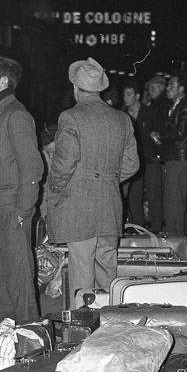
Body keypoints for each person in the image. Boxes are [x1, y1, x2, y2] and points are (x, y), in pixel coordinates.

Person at [46, 57, 138, 303]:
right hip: (110, 205)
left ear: (76, 88)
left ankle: (82, 331)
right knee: (108, 272)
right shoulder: (123, 119)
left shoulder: (70, 117)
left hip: (79, 207)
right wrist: (107, 179)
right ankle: (109, 328)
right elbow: (132, 164)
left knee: (82, 275)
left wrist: (54, 191)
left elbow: (64, 165)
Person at [0, 55, 42, 326]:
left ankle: (31, 340)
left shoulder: (15, 114)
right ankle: (5, 338)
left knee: (19, 281)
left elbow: (32, 168)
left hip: (11, 209)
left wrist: (22, 211)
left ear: (4, 81)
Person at [150, 70, 187, 236]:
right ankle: (173, 239)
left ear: (181, 88)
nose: (167, 88)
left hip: (179, 159)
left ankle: (176, 243)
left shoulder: (186, 107)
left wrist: (160, 136)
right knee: (171, 203)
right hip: (174, 158)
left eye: (171, 85)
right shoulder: (177, 106)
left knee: (175, 205)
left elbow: (180, 133)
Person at [122, 78, 154, 226]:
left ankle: (155, 230)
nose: (125, 97)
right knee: (134, 197)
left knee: (153, 197)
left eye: (129, 94)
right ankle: (138, 228)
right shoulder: (122, 116)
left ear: (137, 96)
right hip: (132, 162)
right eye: (124, 94)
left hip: (149, 160)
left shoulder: (148, 113)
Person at [142, 75, 167, 229]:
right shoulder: (158, 104)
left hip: (159, 157)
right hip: (160, 156)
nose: (149, 91)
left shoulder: (161, 106)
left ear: (161, 88)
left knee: (157, 194)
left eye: (152, 88)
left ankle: (158, 226)